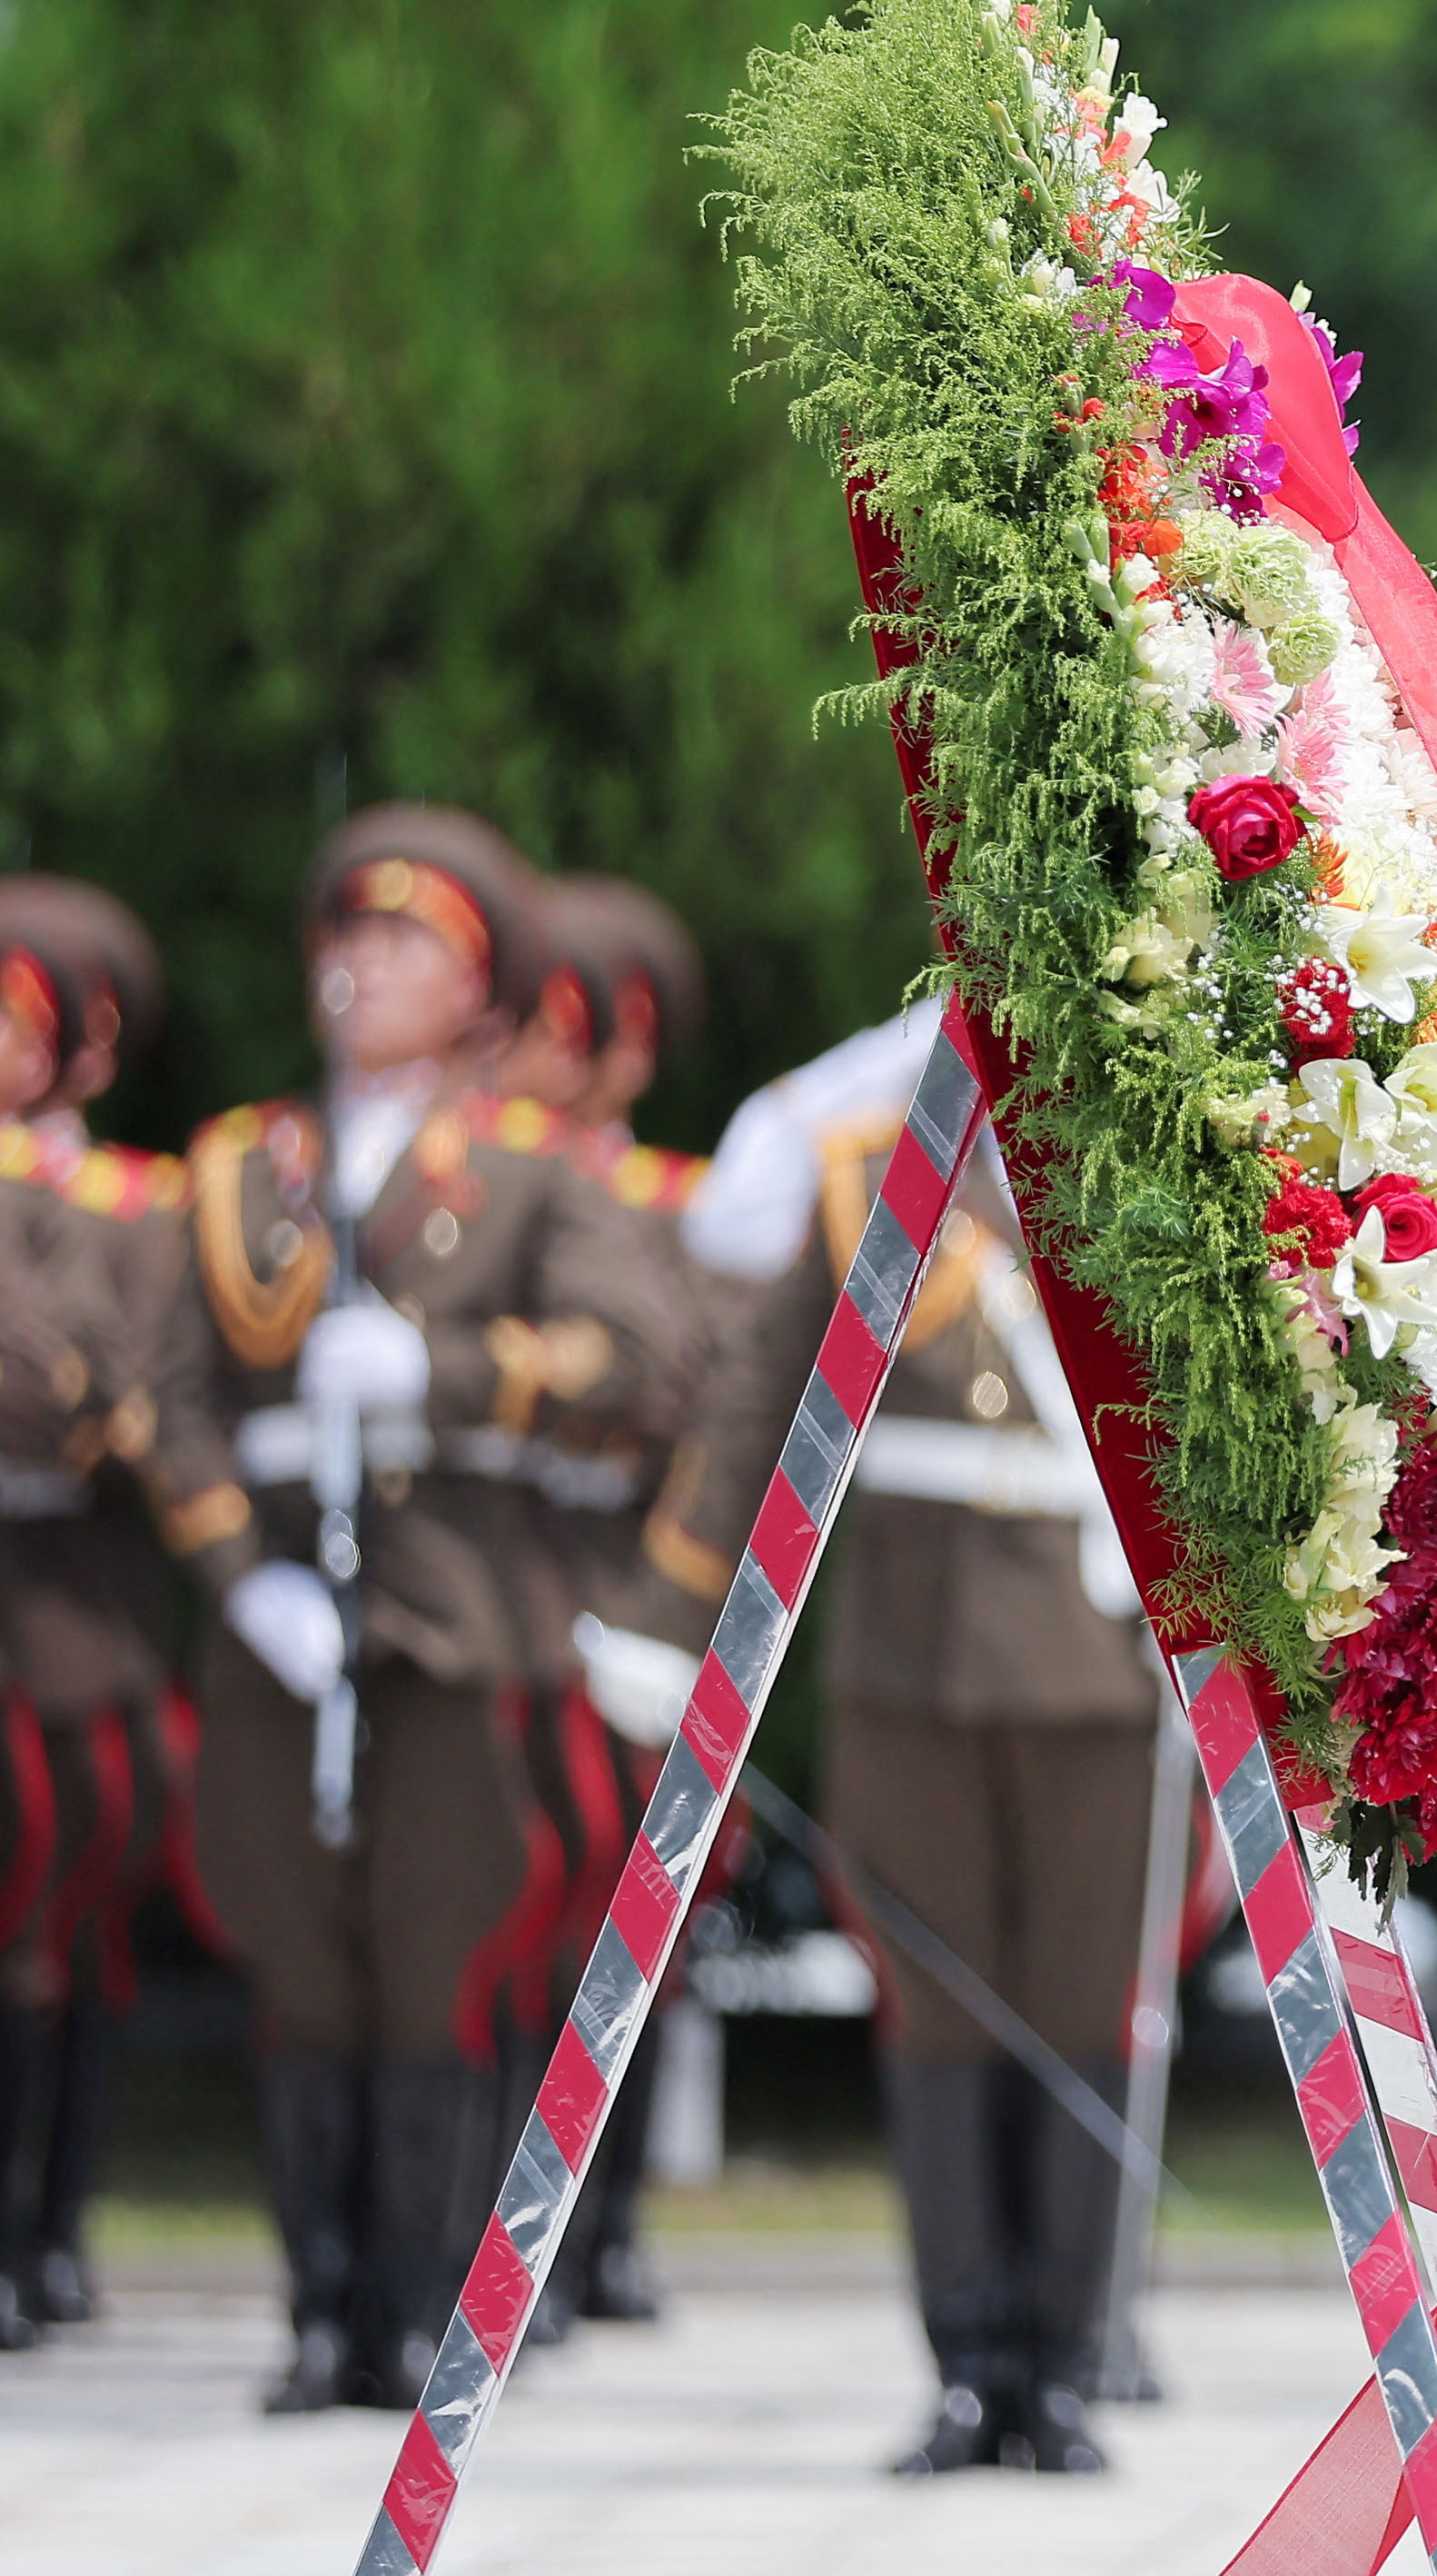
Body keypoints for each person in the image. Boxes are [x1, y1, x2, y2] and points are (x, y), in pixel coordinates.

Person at [134, 806, 699, 2412]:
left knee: (437, 1958)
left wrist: (447, 1371)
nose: (362, 969)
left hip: (456, 1616)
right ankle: (318, 2308)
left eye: (410, 947)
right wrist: (241, 1583)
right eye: (350, 941)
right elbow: (169, 1391)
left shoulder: (524, 1171)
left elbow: (642, 1356)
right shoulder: (248, 1164)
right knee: (299, 1960)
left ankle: (423, 2310)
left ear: (479, 994)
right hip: (281, 1629)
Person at [655, 1006, 1161, 2477]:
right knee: (936, 2014)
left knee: (1078, 2012)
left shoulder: (1147, 1176)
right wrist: (669, 1609)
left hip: (1096, 1659)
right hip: (908, 1656)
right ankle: (965, 2359)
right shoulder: (870, 1173)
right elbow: (758, 1381)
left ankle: (1064, 2362)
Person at [489, 872, 710, 2337]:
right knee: (511, 1899)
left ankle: (606, 2219)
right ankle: (515, 2233)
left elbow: (716, 1414)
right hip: (503, 1564)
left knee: (638, 1920)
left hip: (631, 1571)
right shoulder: (472, 1182)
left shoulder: (682, 1202)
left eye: (561, 1030)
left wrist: (666, 1602)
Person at [0, 910, 137, 2353]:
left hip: (50, 1570)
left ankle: (41, 2228)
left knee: (52, 1907)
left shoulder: (115, 1194)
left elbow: (96, 1387)